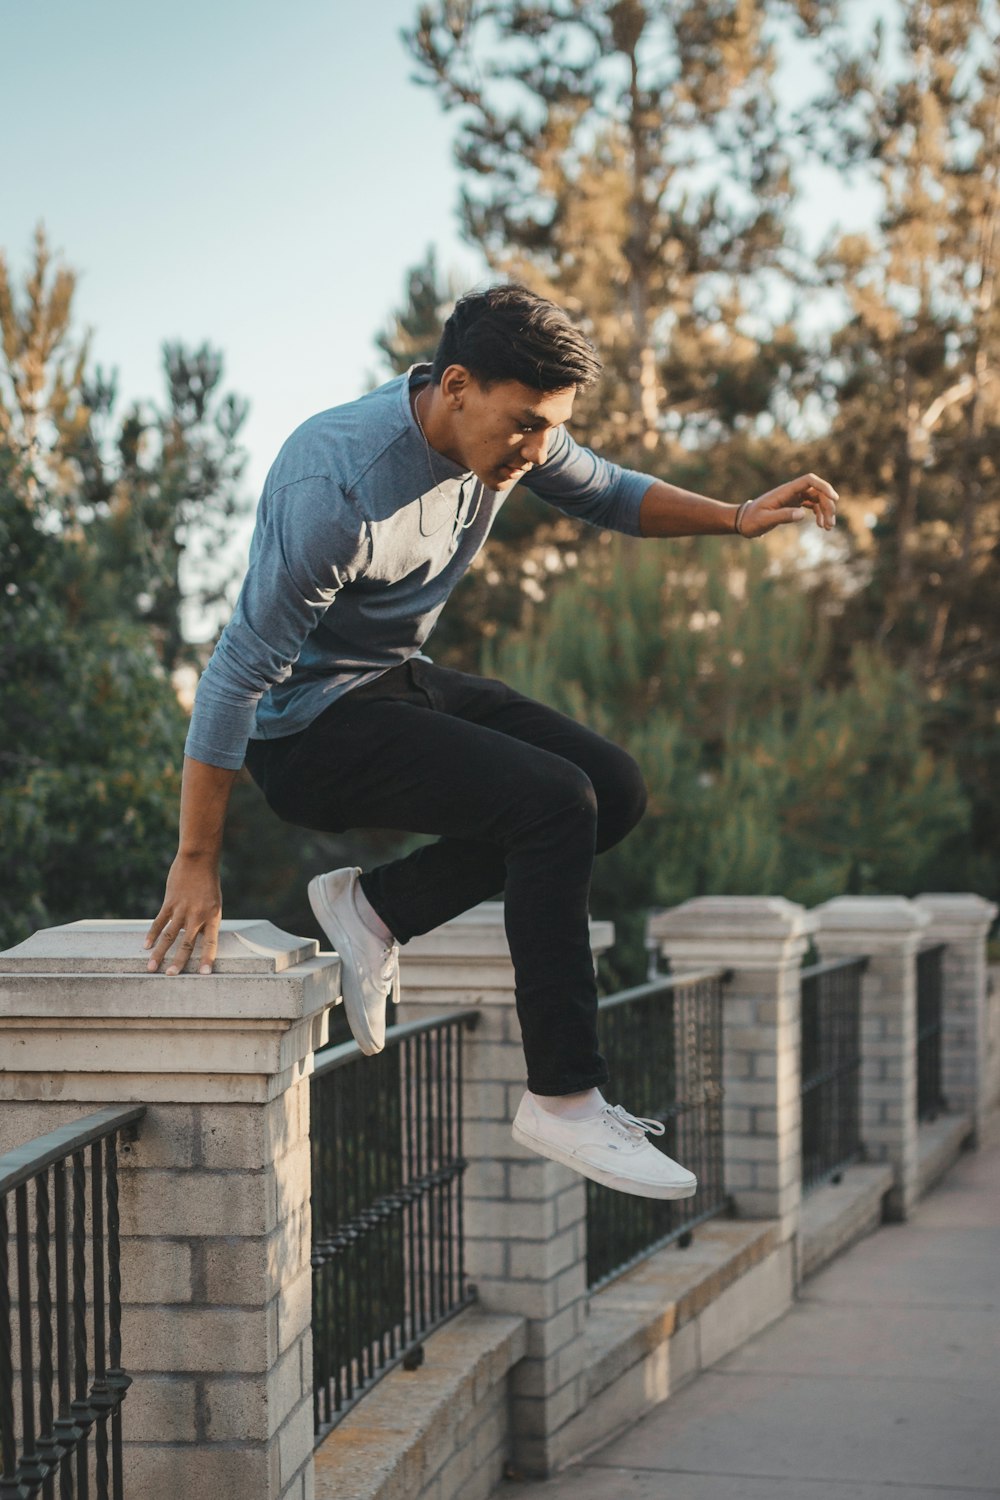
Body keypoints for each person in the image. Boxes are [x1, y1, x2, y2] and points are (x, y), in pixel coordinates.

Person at [144, 284, 837, 1201]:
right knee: (553, 805)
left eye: (551, 429)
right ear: (456, 385)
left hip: (392, 682)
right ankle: (563, 1095)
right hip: (303, 732)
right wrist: (198, 859)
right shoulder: (337, 487)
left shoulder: (507, 437)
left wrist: (738, 515)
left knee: (610, 790)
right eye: (524, 428)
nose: (537, 451)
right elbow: (234, 676)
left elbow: (611, 494)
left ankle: (378, 909)